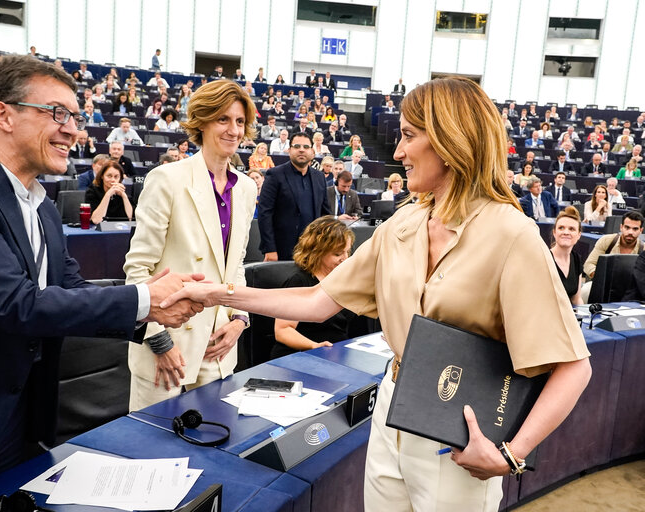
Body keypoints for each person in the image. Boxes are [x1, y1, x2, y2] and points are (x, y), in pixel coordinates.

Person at [163, 77, 591, 512]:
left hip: (459, 442)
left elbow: (573, 368)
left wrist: (511, 455)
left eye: (408, 136)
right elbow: (316, 302)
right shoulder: (401, 225)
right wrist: (220, 293)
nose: (399, 152)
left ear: (450, 139)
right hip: (391, 412)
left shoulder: (512, 235)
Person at [0, 54, 202, 511]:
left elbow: (69, 290)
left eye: (76, 116)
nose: (73, 129)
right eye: (58, 113)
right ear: (3, 114)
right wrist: (146, 296)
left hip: (16, 423)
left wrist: (150, 309)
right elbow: (17, 304)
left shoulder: (43, 206)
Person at [123, 79, 257, 410]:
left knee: (214, 445)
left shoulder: (246, 188)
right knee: (151, 451)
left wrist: (239, 320)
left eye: (240, 121)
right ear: (202, 122)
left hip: (219, 345)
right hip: (169, 346)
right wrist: (159, 340)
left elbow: (235, 264)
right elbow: (138, 269)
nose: (233, 130)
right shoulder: (167, 179)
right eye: (223, 119)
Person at [271, 217, 355, 359]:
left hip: (334, 355)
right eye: (337, 254)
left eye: (347, 251)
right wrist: (314, 346)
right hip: (301, 356)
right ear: (318, 252)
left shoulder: (342, 278)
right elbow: (283, 330)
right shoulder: (298, 280)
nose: (345, 258)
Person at [258, 132, 332, 261]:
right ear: (289, 150)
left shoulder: (319, 177)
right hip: (282, 250)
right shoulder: (275, 175)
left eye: (306, 147)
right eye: (297, 146)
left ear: (312, 151)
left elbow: (325, 214)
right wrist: (269, 249)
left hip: (312, 250)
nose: (301, 150)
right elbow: (265, 213)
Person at [550, 207, 583, 305]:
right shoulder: (544, 258)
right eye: (561, 228)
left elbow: (576, 299)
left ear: (578, 235)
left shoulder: (577, 259)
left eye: (572, 229)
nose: (566, 232)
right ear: (554, 233)